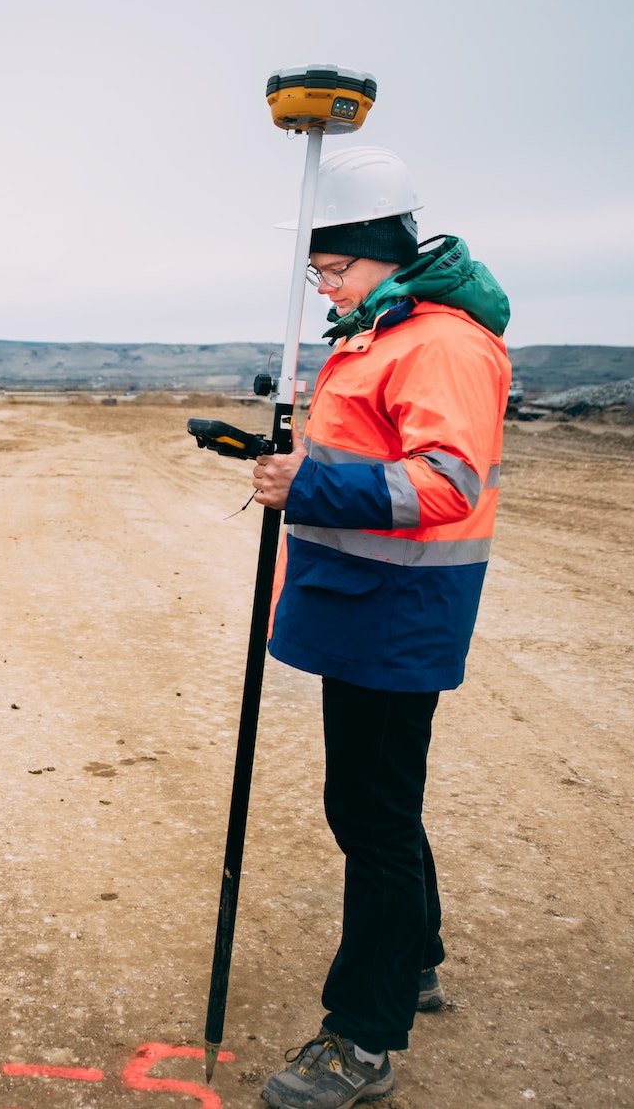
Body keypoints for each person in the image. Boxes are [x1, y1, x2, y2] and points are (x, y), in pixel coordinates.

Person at [248, 145, 511, 1109]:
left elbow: (448, 481)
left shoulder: (439, 342)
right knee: (379, 804)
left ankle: (364, 1035)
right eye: (315, 273)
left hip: (397, 615)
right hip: (362, 603)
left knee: (372, 817)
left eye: (330, 270)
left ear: (377, 252)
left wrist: (307, 480)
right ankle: (419, 960)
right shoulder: (378, 333)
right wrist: (292, 459)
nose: (322, 288)